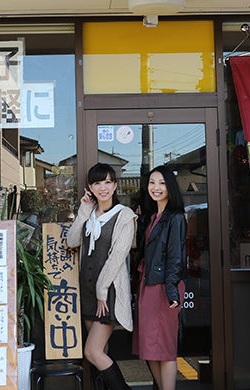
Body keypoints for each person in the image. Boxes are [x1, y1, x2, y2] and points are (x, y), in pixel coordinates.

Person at [67, 163, 137, 390]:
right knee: (102, 351)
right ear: (90, 187)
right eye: (97, 183)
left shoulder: (124, 215)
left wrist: (101, 292)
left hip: (106, 292)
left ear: (115, 185)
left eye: (108, 182)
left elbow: (117, 257)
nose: (103, 187)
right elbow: (72, 241)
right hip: (86, 291)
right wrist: (83, 211)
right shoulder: (90, 215)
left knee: (92, 352)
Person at [135, 166, 187, 390]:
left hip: (165, 287)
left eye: (162, 183)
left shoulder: (175, 218)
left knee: (164, 348)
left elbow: (176, 256)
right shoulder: (153, 216)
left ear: (170, 187)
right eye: (152, 183)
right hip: (149, 285)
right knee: (149, 347)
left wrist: (172, 289)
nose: (156, 188)